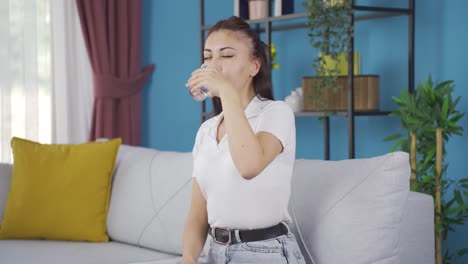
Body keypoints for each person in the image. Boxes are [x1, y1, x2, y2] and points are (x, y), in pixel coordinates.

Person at [182, 16, 305, 264]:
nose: (213, 65)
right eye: (208, 57)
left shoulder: (276, 113)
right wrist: (188, 258)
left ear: (254, 67)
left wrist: (226, 90)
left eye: (226, 56)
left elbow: (249, 166)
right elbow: (198, 214)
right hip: (215, 253)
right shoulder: (207, 130)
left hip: (265, 252)